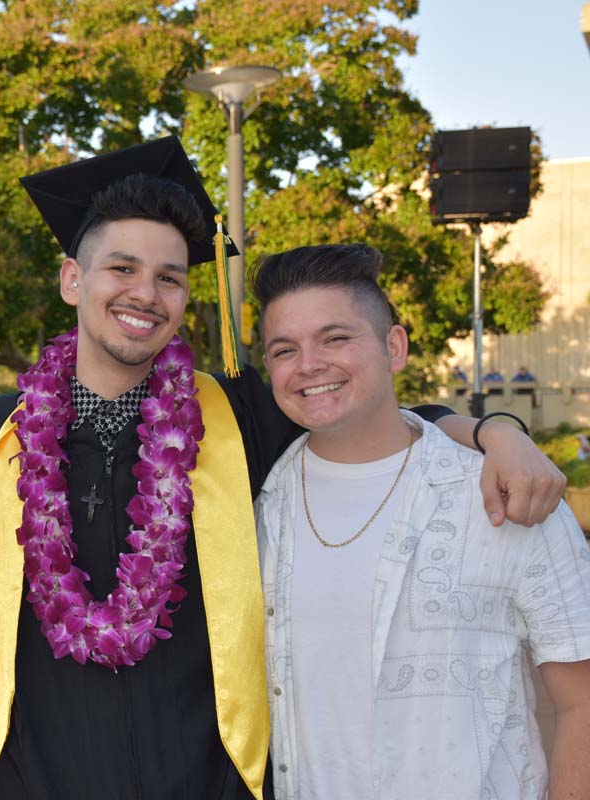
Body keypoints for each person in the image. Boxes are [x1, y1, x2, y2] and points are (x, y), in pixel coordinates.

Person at [0, 137, 568, 799]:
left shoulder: (238, 417)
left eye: (169, 278)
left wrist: (496, 431)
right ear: (73, 280)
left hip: (211, 783)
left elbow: (370, 411)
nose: (145, 294)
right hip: (42, 781)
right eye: (122, 269)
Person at [252, 243, 590, 799]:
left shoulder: (504, 494)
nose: (309, 364)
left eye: (335, 338)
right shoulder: (258, 509)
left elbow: (580, 703)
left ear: (395, 346)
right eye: (284, 349)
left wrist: (499, 433)